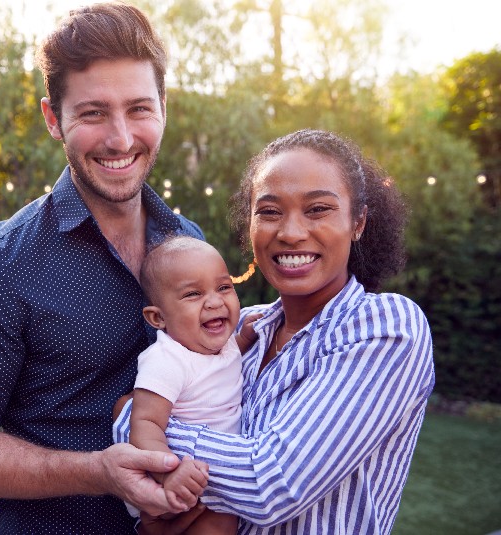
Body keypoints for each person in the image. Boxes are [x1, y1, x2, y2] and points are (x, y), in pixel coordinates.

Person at [0, 3, 207, 534]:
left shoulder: (187, 241)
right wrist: (98, 472)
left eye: (139, 109)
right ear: (53, 119)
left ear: (164, 108)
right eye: (94, 113)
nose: (121, 139)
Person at [114, 128, 435, 534]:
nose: (290, 232)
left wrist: (137, 423)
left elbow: (271, 484)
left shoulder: (385, 327)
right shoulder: (239, 330)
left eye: (318, 209)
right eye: (269, 211)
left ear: (358, 222)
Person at [127, 235, 262, 534]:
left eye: (224, 287)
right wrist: (168, 473)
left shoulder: (222, 345)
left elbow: (220, 365)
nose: (215, 301)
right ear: (158, 317)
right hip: (186, 484)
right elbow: (145, 423)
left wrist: (245, 338)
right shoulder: (167, 360)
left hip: (217, 480)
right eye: (193, 294)